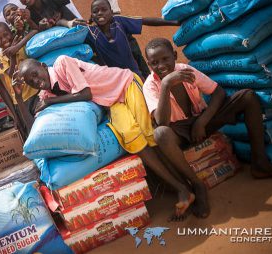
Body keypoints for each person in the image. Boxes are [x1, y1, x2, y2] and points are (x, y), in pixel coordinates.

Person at [15, 56, 202, 221]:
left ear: (41, 65)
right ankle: (181, 189)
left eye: (35, 74)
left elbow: (85, 94)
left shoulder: (62, 63)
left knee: (149, 135)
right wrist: (18, 97)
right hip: (112, 103)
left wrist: (50, 101)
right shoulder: (47, 94)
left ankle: (189, 187)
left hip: (125, 84)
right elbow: (37, 126)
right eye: (31, 82)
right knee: (132, 141)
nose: (36, 81)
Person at [143, 38, 272, 186]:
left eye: (165, 59)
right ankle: (196, 185)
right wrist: (166, 84)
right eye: (155, 63)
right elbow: (162, 122)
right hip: (178, 133)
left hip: (201, 121)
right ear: (149, 65)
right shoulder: (150, 85)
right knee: (160, 133)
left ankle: (260, 162)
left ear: (175, 56)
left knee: (247, 96)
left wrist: (202, 122)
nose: (161, 65)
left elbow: (218, 92)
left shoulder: (185, 71)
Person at [87, 0, 179, 78]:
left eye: (104, 10)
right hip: (114, 79)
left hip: (134, 74)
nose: (100, 13)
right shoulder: (90, 32)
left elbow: (145, 21)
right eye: (95, 11)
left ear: (111, 12)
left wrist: (174, 22)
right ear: (92, 16)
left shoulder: (119, 21)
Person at [0, 22, 39, 134]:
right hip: (20, 100)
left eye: (6, 35)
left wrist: (17, 46)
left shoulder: (22, 47)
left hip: (35, 92)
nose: (4, 40)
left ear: (11, 33)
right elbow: (11, 74)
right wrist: (12, 57)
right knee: (31, 130)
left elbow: (35, 31)